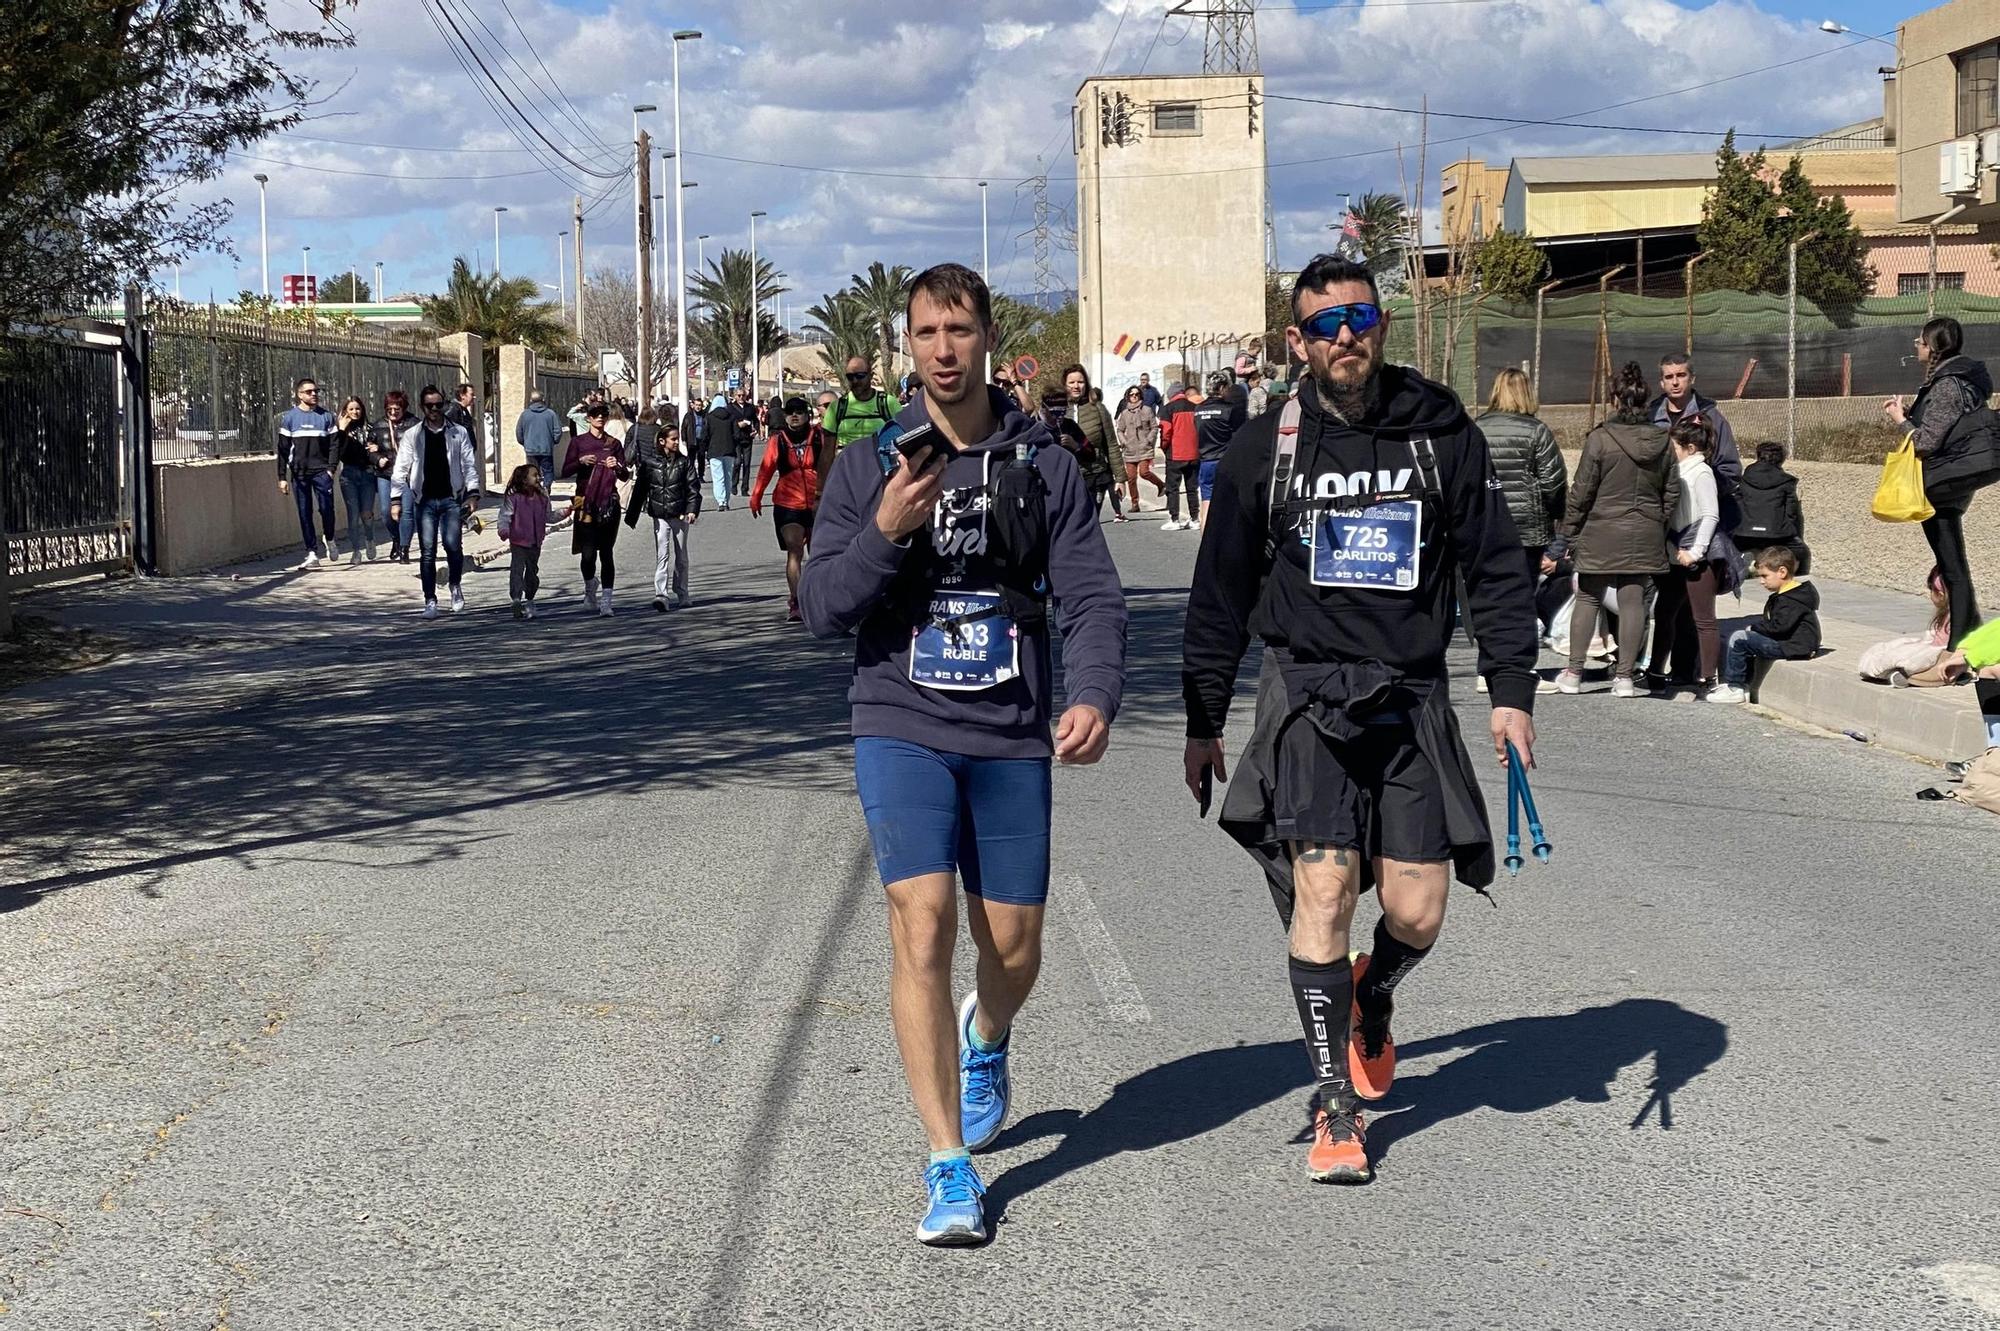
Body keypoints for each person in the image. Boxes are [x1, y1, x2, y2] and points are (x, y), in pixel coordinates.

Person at [1180, 253, 1538, 1186]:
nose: (1347, 335)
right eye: (1326, 323)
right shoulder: (1269, 446)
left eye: (1361, 316)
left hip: (1412, 695)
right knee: (1326, 894)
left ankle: (1371, 995)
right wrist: (1202, 715)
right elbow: (1218, 591)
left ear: (1382, 323)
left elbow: (1495, 565)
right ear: (1298, 340)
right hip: (1309, 697)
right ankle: (1336, 1106)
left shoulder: (1438, 429)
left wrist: (1510, 689)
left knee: (1418, 908)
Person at [798, 263, 1128, 1247]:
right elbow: (820, 606)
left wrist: (1093, 693)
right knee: (920, 920)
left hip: (1008, 726)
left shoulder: (1045, 464)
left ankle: (987, 1032)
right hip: (898, 715)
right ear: (907, 344)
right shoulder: (867, 467)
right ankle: (947, 1162)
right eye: (926, 332)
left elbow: (1094, 597)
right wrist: (887, 534)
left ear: (987, 337)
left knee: (1013, 947)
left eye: (959, 329)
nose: (943, 349)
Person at [1886, 315, 2000, 752]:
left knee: (1953, 565)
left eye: (1919, 341)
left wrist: (1900, 418)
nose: (1916, 347)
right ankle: (1966, 638)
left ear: (1933, 346)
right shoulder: (1964, 379)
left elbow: (1928, 441)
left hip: (1944, 479)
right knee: (1953, 563)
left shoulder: (1949, 384)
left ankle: (1958, 651)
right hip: (1957, 478)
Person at [1551, 363, 1679, 697]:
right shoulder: (1662, 440)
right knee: (1633, 599)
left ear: (1614, 398)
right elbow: (1672, 490)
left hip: (1602, 526)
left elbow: (1582, 491)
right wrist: (1657, 521)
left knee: (1589, 596)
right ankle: (1624, 677)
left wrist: (1570, 531)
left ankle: (1574, 673)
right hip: (1645, 527)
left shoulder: (1600, 439)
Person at [1649, 417, 1729, 696]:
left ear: (1691, 447)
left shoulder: (1702, 472)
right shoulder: (1678, 470)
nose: (1670, 450)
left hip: (1697, 558)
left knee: (1703, 618)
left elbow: (1710, 515)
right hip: (1674, 555)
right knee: (1665, 613)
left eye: (1674, 446)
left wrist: (1696, 552)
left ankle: (1709, 679)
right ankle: (1656, 672)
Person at [388, 385, 482, 620]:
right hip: (425, 500)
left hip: (451, 498)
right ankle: (430, 599)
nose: (435, 410)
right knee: (427, 551)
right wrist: (396, 499)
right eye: (429, 406)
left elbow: (469, 465)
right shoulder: (413, 435)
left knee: (453, 545)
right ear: (422, 407)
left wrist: (473, 494)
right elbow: (401, 468)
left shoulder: (458, 432)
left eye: (439, 405)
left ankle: (455, 586)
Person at [1476, 368, 1567, 583]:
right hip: (1528, 529)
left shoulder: (1476, 428)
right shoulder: (1536, 430)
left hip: (1488, 524)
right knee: (1523, 592)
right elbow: (1553, 483)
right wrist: (1555, 516)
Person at [750, 396, 834, 621]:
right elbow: (766, 469)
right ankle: (796, 601)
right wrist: (756, 496)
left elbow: (833, 464)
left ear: (808, 414)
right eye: (790, 412)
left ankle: (817, 599)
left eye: (799, 411)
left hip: (818, 501)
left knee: (817, 554)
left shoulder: (819, 436)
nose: (794, 415)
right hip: (787, 502)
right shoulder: (778, 441)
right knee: (794, 549)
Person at [1710, 546, 1819, 703]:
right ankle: (1743, 686)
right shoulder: (1789, 595)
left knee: (1740, 638)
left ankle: (1735, 688)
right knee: (1746, 640)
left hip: (1793, 646)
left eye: (1765, 576)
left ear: (1782, 572)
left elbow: (1780, 627)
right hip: (1791, 643)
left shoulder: (1791, 600)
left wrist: (1755, 628)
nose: (1761, 581)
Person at [562, 402, 631, 616]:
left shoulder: (614, 443)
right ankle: (590, 585)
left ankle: (606, 602)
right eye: (595, 414)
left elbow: (625, 475)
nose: (600, 417)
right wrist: (581, 461)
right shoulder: (578, 442)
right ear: (588, 418)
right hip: (585, 502)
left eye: (603, 414)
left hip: (608, 502)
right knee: (588, 555)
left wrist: (617, 466)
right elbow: (565, 470)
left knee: (607, 553)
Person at [626, 419, 702, 611]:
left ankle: (682, 591)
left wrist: (692, 509)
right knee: (662, 555)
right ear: (662, 441)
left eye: (678, 439)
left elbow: (693, 488)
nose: (677, 442)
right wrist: (632, 515)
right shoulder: (650, 464)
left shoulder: (684, 463)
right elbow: (640, 490)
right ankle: (661, 594)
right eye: (673, 439)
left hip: (680, 514)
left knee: (681, 556)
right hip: (659, 515)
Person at [276, 376, 338, 568]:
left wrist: (331, 470)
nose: (314, 395)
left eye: (316, 391)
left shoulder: (327, 417)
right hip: (299, 473)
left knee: (326, 509)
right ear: (299, 394)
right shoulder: (289, 418)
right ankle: (312, 552)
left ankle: (330, 538)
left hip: (322, 472)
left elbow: (334, 446)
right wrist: (282, 477)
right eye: (309, 392)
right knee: (305, 512)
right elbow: (283, 449)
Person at [1857, 567, 1954, 685]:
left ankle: (1904, 674)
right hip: (1933, 645)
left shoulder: (1952, 616)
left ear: (1940, 594)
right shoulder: (1947, 614)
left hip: (1940, 652)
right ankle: (1881, 668)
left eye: (1931, 590)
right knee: (1893, 647)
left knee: (1913, 660)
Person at [1733, 441, 1807, 574]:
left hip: (1744, 534)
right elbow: (1791, 513)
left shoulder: (1744, 478)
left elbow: (1736, 503)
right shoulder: (1786, 482)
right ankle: (1797, 582)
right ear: (1781, 459)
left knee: (1731, 545)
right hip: (1776, 535)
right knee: (1801, 551)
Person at [1061, 365, 1122, 521]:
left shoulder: (1098, 409)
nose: (1076, 386)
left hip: (1094, 475)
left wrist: (1120, 478)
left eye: (1080, 382)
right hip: (1066, 478)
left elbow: (1111, 443)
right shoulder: (1057, 410)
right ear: (1064, 384)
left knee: (1090, 523)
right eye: (1072, 382)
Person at [497, 462, 556, 620]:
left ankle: (529, 599)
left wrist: (566, 512)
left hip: (535, 542)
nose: (538, 478)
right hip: (518, 541)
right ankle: (516, 599)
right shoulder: (514, 498)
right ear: (524, 479)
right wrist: (503, 530)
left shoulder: (543, 496)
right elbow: (504, 516)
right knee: (516, 570)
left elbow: (549, 516)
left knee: (532, 572)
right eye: (534, 475)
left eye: (538, 475)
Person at [1193, 370, 1247, 529]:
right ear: (1222, 388)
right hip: (1226, 460)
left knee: (1206, 505)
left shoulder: (1198, 410)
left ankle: (1206, 547)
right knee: (1231, 504)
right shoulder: (1229, 409)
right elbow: (1239, 434)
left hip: (1205, 460)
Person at [333, 396, 380, 565]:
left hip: (367, 474)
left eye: (357, 409)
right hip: (348, 475)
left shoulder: (370, 428)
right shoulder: (340, 429)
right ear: (345, 411)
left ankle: (370, 539)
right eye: (351, 409)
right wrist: (341, 430)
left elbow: (377, 447)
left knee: (366, 513)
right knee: (353, 516)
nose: (355, 412)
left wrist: (377, 448)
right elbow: (336, 451)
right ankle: (356, 551)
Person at [1157, 378, 1205, 531]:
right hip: (1194, 453)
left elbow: (1166, 432)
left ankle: (1174, 518)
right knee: (1192, 487)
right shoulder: (1195, 407)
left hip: (1176, 453)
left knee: (1173, 488)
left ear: (1171, 394)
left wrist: (1163, 447)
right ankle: (1194, 518)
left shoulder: (1168, 409)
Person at [825, 356, 900, 452]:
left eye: (860, 376)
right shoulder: (836, 408)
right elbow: (827, 450)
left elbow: (902, 439)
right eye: (850, 377)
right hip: (847, 464)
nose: (855, 381)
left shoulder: (889, 404)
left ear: (871, 376)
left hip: (878, 464)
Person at [370, 390, 410, 561]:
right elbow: (369, 449)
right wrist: (378, 458)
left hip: (407, 475)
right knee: (387, 512)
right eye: (390, 409)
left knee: (406, 512)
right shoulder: (378, 426)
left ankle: (404, 549)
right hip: (385, 474)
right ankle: (396, 538)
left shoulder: (414, 424)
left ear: (404, 408)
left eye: (397, 409)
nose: (393, 413)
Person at [1114, 384, 1165, 514]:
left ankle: (1160, 485)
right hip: (1130, 449)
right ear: (1128, 397)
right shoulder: (1124, 413)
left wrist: (1149, 440)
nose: (1134, 396)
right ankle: (1135, 503)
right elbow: (1119, 430)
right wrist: (1124, 442)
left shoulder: (1147, 410)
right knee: (1131, 478)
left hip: (1144, 448)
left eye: (1136, 394)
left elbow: (1154, 427)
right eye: (1132, 394)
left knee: (1144, 472)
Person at [516, 390, 564, 493]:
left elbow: (519, 432)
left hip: (530, 449)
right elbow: (558, 430)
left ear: (530, 400)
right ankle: (546, 487)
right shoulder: (551, 414)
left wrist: (524, 443)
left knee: (532, 471)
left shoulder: (525, 414)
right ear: (543, 400)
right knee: (548, 471)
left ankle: (533, 490)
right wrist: (553, 441)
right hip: (546, 448)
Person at [703, 394, 736, 509]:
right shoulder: (731, 417)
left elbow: (705, 435)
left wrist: (705, 449)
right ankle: (726, 500)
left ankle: (721, 501)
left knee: (718, 477)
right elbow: (736, 434)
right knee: (728, 476)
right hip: (729, 450)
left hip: (714, 450)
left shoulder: (709, 418)